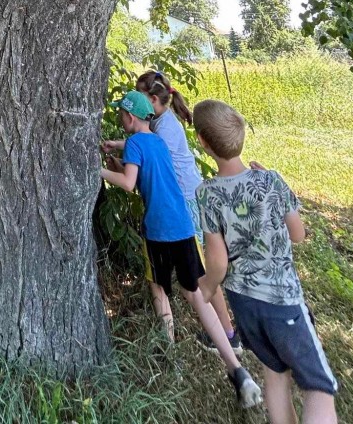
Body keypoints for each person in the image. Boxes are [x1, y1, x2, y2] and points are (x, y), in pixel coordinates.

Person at [100, 91, 262, 409]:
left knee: (158, 287)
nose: (120, 117)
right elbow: (143, 174)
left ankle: (170, 357)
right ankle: (237, 369)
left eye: (121, 113)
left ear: (129, 117)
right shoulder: (157, 141)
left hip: (159, 230)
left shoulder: (134, 144)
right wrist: (116, 162)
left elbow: (129, 183)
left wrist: (99, 171)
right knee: (196, 294)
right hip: (184, 227)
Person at [193, 99, 338, 424]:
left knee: (275, 374)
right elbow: (298, 234)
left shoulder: (207, 193)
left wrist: (207, 287)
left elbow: (217, 260)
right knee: (319, 388)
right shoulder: (271, 180)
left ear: (203, 141)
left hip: (244, 306)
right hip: (282, 304)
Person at [133, 70, 241, 353]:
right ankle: (226, 332)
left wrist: (125, 152)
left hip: (184, 203)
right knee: (198, 272)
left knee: (200, 274)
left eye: (139, 96)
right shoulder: (161, 122)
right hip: (185, 198)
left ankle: (228, 334)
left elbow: (153, 157)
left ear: (152, 100)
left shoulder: (164, 127)